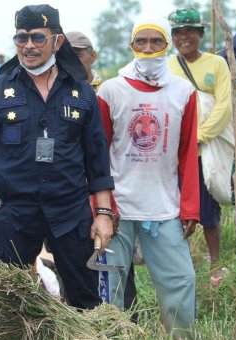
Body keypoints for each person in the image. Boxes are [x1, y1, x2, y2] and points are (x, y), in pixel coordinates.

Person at [0, 4, 114, 310]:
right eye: (21, 38)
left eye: (38, 37)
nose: (29, 46)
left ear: (57, 41)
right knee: (7, 301)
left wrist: (102, 214)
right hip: (15, 213)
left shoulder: (81, 92)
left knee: (85, 299)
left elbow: (97, 157)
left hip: (70, 211)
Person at [96, 15, 199, 339]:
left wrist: (190, 207)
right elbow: (98, 156)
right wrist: (103, 207)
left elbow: (187, 154)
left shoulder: (183, 91)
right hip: (119, 208)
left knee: (181, 281)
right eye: (141, 41)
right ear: (131, 45)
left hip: (164, 206)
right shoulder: (111, 90)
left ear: (166, 45)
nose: (149, 48)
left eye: (156, 41)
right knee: (109, 288)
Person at [66, 30, 138, 314]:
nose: (71, 61)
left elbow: (112, 154)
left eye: (78, 55)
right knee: (76, 268)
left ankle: (125, 328)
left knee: (118, 270)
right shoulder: (56, 95)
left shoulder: (107, 93)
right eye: (65, 56)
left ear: (92, 56)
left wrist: (106, 207)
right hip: (72, 197)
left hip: (108, 195)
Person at [167, 8, 232, 286]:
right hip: (174, 150)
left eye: (190, 31)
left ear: (201, 34)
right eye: (178, 33)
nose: (184, 37)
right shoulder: (167, 65)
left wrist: (199, 137)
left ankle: (215, 265)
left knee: (208, 211)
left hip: (204, 150)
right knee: (175, 208)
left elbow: (224, 106)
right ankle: (180, 263)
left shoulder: (217, 64)